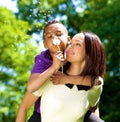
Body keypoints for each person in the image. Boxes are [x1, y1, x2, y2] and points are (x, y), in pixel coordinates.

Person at [16, 31, 106, 122]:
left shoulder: (94, 87)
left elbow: (94, 104)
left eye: (77, 44)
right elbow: (23, 107)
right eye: (70, 43)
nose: (70, 46)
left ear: (90, 53)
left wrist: (67, 79)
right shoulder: (52, 76)